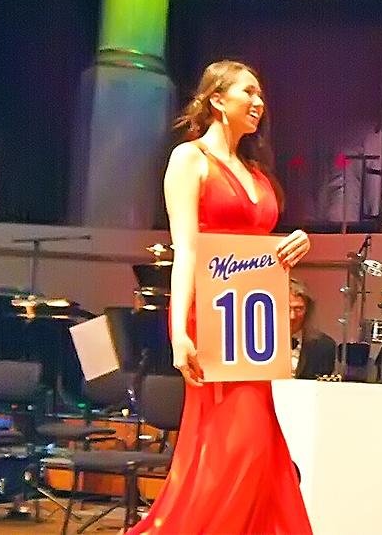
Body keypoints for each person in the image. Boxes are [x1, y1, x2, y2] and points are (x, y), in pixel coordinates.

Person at [127, 60, 313, 534]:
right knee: (238, 445)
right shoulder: (189, 160)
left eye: (261, 94)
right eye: (248, 91)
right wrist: (177, 333)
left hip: (253, 333)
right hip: (211, 322)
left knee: (259, 449)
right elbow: (187, 250)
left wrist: (293, 245)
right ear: (216, 99)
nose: (259, 102)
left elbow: (256, 252)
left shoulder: (256, 171)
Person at [288, 277, 337, 379]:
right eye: (287, 308)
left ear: (307, 309)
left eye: (298, 309)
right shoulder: (257, 343)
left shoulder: (324, 346)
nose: (292, 316)